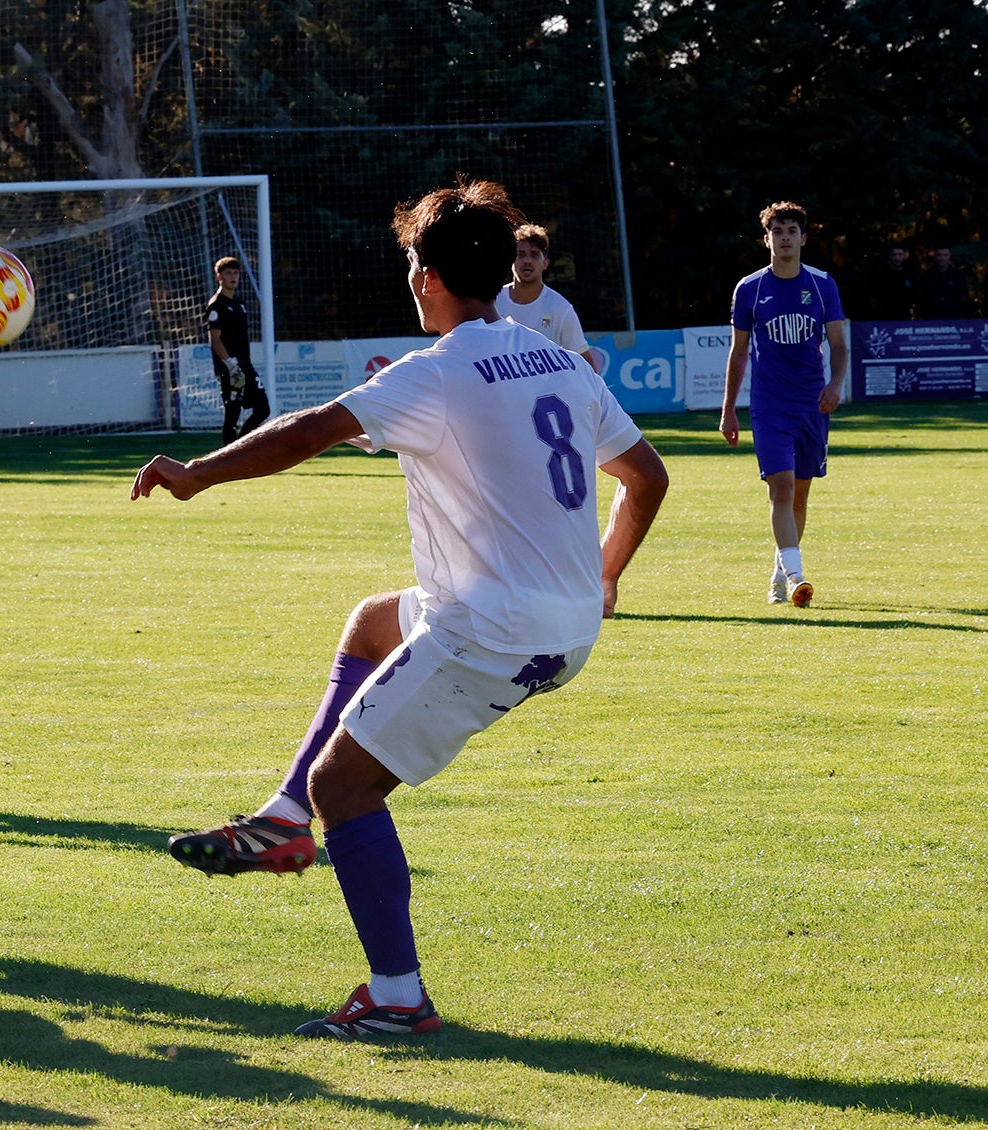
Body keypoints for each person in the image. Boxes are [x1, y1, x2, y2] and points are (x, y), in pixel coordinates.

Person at [133, 180, 667, 1038]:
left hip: (495, 632)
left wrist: (196, 474)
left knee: (342, 785)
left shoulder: (440, 371)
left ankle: (396, 997)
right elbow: (647, 478)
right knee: (374, 620)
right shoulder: (556, 360)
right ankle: (279, 822)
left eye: (410, 262)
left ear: (426, 276)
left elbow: (306, 430)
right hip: (562, 622)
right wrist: (599, 582)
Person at [718, 202, 847, 607]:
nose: (785, 236)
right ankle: (797, 578)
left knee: (800, 496)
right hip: (769, 406)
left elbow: (839, 345)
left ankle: (779, 572)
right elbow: (738, 353)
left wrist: (835, 384)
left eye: (792, 230)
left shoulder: (823, 284)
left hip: (812, 405)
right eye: (778, 230)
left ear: (803, 238)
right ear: (767, 238)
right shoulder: (750, 288)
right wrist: (728, 408)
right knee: (782, 489)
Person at [500, 224, 601, 372]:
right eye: (521, 254)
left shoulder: (560, 308)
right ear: (511, 260)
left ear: (545, 263)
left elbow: (586, 365)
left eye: (534, 255)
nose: (527, 261)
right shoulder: (493, 301)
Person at [208, 256, 269, 443]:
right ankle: (230, 455)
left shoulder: (240, 303)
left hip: (245, 365)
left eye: (235, 273)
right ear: (219, 277)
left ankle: (241, 447)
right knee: (232, 413)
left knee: (263, 409)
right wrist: (230, 364)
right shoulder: (217, 304)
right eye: (228, 273)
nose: (233, 277)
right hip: (230, 369)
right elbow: (215, 339)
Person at [863, 246, 918, 321]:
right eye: (894, 254)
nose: (897, 258)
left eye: (900, 254)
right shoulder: (881, 274)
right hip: (885, 315)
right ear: (890, 256)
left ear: (904, 256)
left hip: (904, 315)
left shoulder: (910, 274)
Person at [923, 247, 977, 319]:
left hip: (954, 316)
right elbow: (922, 296)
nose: (942, 258)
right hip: (932, 317)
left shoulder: (958, 275)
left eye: (945, 255)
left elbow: (964, 295)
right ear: (935, 257)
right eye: (939, 255)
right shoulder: (927, 275)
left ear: (949, 256)